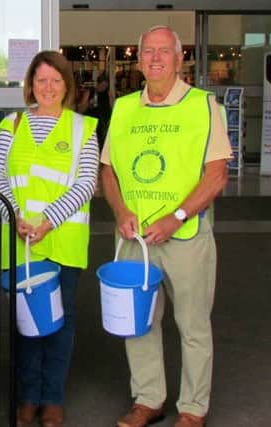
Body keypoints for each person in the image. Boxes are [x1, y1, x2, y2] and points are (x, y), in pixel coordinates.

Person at [100, 26, 231, 427]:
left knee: (192, 325)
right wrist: (121, 212)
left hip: (185, 235)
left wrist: (176, 219)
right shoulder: (122, 108)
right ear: (138, 61)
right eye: (148, 52)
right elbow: (109, 171)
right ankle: (149, 399)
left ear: (179, 59)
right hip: (133, 237)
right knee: (138, 322)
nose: (155, 58)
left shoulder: (204, 105)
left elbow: (216, 174)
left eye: (164, 52)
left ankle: (193, 408)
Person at [0, 50, 99, 427]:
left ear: (66, 85)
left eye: (55, 80)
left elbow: (86, 183)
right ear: (30, 85)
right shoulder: (12, 124)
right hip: (21, 239)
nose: (48, 87)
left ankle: (53, 399)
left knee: (60, 322)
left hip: (61, 239)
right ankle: (28, 397)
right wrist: (14, 215)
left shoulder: (83, 128)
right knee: (26, 324)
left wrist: (49, 220)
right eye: (40, 80)